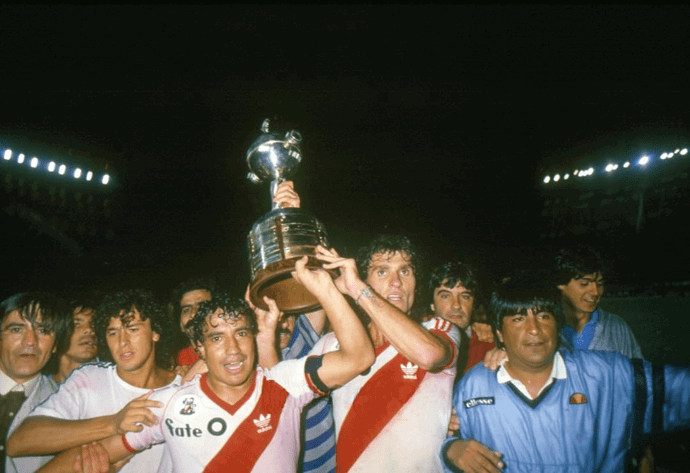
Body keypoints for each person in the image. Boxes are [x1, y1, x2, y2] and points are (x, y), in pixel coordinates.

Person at [47, 255, 375, 473]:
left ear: (255, 335)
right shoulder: (172, 402)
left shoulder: (284, 383)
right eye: (216, 338)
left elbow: (359, 356)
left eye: (241, 333)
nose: (232, 349)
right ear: (199, 348)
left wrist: (325, 287)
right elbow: (94, 456)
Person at [442, 274, 690, 473]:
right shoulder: (473, 386)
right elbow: (450, 441)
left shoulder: (609, 375)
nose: (534, 330)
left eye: (543, 316)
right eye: (518, 319)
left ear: (558, 323)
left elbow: (681, 390)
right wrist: (451, 451)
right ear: (499, 333)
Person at [311, 235, 460, 472]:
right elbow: (283, 392)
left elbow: (428, 356)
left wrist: (358, 289)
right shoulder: (334, 342)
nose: (396, 282)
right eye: (382, 272)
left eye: (405, 271)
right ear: (363, 277)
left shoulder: (439, 330)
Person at [7, 289, 181, 473]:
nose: (123, 341)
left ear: (155, 332)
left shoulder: (183, 388)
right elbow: (19, 442)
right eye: (112, 332)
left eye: (133, 329)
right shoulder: (90, 377)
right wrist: (113, 423)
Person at [1, 292, 66, 473]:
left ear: (55, 346)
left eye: (43, 331)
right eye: (16, 329)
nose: (30, 341)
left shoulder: (67, 406)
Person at [555, 245, 642, 358]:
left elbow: (638, 372)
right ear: (560, 283)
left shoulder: (616, 326)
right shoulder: (545, 327)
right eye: (584, 284)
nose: (596, 292)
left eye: (600, 283)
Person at [429, 261, 493, 373]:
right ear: (432, 305)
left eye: (465, 296)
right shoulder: (414, 343)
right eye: (445, 296)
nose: (456, 305)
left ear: (473, 304)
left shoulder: (490, 349)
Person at [43, 298, 99, 384]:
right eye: (76, 324)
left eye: (93, 324)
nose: (89, 329)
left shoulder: (116, 380)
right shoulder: (39, 389)